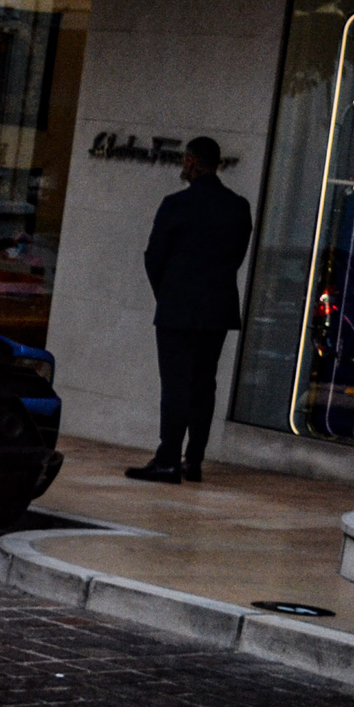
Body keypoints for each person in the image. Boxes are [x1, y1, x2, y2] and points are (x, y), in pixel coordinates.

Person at [127, 136, 252, 485]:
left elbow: (154, 257)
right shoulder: (238, 207)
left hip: (179, 308)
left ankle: (168, 458)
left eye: (186, 161)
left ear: (192, 163)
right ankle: (192, 459)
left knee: (177, 386)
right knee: (203, 385)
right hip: (216, 308)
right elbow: (236, 257)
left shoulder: (175, 204)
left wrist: (166, 294)